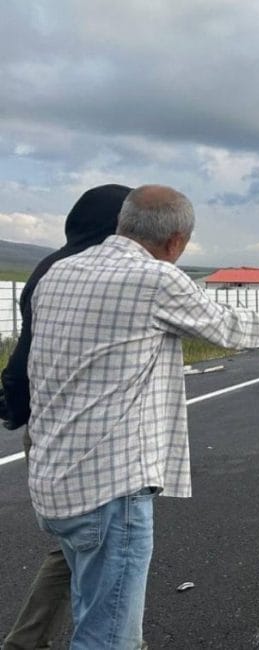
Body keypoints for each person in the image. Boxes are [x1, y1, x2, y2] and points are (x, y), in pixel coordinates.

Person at [25, 185, 259, 649]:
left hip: (53, 479)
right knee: (109, 637)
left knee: (93, 609)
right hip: (110, 489)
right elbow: (221, 323)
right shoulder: (155, 279)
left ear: (123, 222)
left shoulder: (59, 273)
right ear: (176, 241)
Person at [1, 184, 135, 650]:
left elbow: (26, 354)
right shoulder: (91, 273)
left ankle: (29, 640)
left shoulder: (51, 266)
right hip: (81, 434)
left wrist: (18, 408)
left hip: (48, 426)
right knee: (110, 543)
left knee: (79, 546)